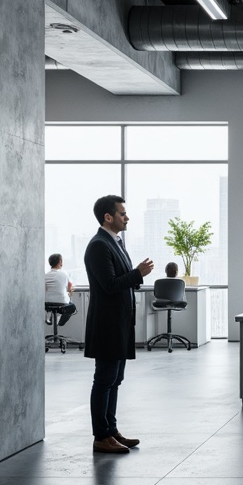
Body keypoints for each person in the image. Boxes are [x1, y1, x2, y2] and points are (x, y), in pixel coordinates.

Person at [84, 195, 154, 455]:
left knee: (115, 379)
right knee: (104, 379)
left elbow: (123, 278)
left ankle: (111, 430)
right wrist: (137, 274)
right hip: (107, 325)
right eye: (122, 213)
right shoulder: (98, 246)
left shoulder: (116, 243)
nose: (127, 217)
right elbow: (110, 284)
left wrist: (135, 275)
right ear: (108, 217)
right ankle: (100, 436)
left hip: (120, 324)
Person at [43, 253, 77, 326]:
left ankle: (50, 317)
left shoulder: (45, 275)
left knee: (52, 306)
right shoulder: (64, 274)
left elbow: (44, 289)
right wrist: (70, 293)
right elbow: (70, 288)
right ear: (60, 262)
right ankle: (60, 323)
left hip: (47, 303)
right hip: (62, 302)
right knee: (72, 307)